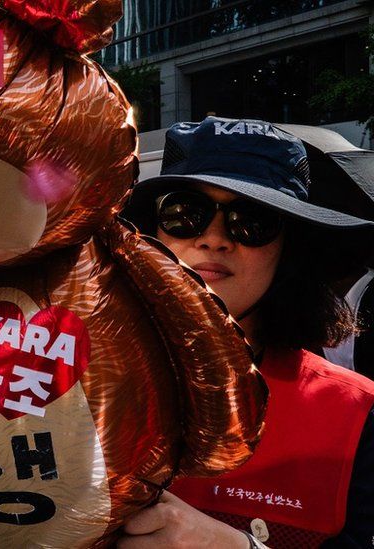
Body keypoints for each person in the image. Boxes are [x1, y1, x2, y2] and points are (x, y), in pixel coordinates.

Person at [120, 117, 374, 548]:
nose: (214, 239)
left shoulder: (354, 413)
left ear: (290, 250)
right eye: (185, 213)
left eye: (251, 221)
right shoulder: (73, 374)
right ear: (152, 232)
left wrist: (235, 545)